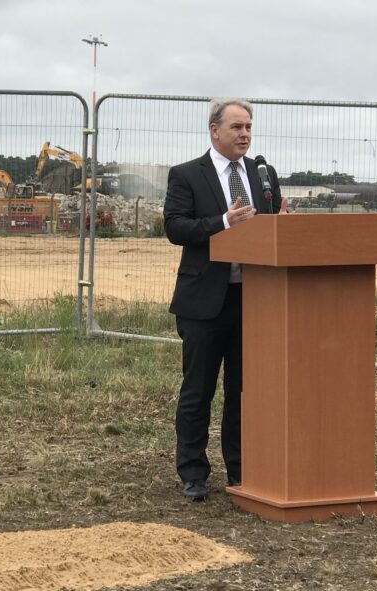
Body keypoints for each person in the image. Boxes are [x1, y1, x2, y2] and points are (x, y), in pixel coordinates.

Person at [163, 97, 285, 502]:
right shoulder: (186, 175)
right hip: (203, 301)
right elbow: (176, 227)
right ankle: (194, 473)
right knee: (198, 389)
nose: (244, 134)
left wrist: (282, 228)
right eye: (236, 127)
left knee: (243, 391)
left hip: (253, 299)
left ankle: (241, 471)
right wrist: (223, 222)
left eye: (248, 127)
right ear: (214, 130)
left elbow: (267, 229)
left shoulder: (262, 174)